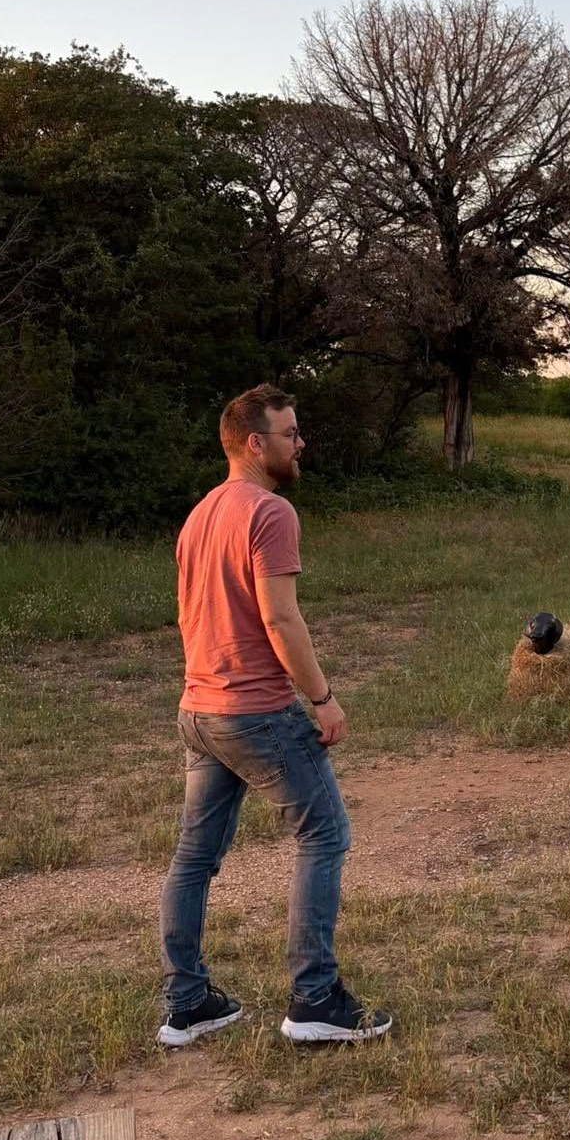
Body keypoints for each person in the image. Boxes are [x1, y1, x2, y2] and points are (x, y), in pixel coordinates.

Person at [157, 384, 392, 1047]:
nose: (301, 442)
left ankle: (187, 1002)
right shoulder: (270, 511)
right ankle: (315, 999)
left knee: (194, 855)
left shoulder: (200, 514)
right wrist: (322, 698)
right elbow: (280, 617)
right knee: (325, 836)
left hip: (199, 709)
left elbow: (191, 615)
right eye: (290, 432)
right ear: (257, 443)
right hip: (254, 712)